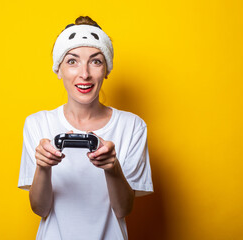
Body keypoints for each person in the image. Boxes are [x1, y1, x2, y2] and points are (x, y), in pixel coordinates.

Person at [18, 16, 153, 240]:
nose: (85, 74)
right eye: (72, 61)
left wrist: (112, 167)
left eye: (96, 61)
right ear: (58, 69)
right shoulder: (37, 124)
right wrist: (43, 166)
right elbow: (41, 209)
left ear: (106, 70)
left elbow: (123, 210)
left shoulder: (133, 126)